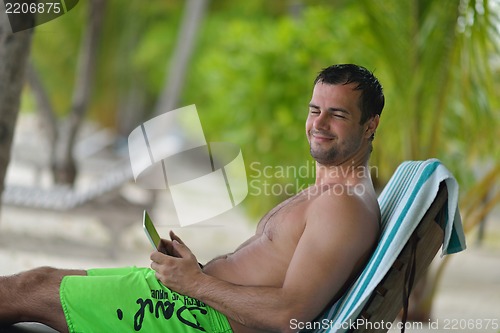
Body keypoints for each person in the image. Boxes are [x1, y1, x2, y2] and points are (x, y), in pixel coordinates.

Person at [0, 63, 384, 333]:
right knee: (34, 283)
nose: (318, 124)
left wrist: (195, 284)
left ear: (370, 125)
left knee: (27, 288)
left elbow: (290, 314)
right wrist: (193, 271)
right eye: (315, 110)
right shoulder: (330, 192)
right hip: (189, 302)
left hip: (191, 317)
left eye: (337, 115)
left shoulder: (342, 206)